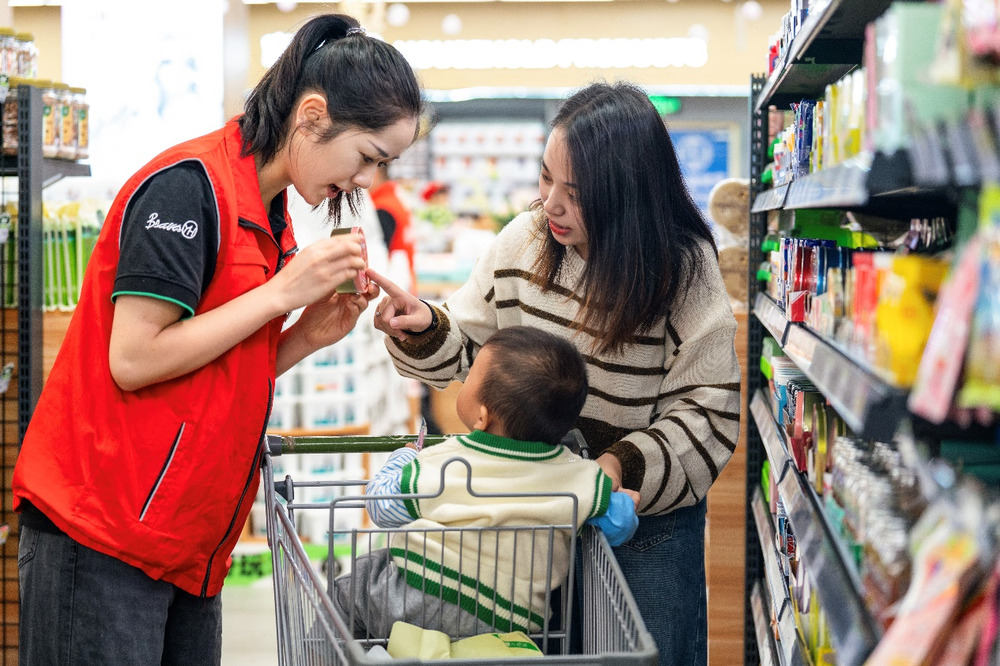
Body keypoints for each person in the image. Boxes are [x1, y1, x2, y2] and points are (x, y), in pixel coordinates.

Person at [12, 14, 421, 665]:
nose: (367, 181)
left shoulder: (269, 214)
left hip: (187, 545)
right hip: (104, 534)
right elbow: (134, 359)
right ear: (312, 116)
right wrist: (282, 295)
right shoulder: (186, 189)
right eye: (368, 157)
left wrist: (304, 336)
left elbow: (218, 369)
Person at [368, 81, 741, 666]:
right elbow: (474, 354)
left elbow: (707, 414)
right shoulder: (523, 242)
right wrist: (424, 328)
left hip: (643, 531)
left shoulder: (683, 271)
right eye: (547, 178)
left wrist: (615, 469)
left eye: (578, 192)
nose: (552, 205)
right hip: (526, 529)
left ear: (629, 195)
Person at [333, 326, 639, 639]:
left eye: (471, 376)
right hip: (511, 622)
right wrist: (624, 503)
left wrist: (403, 457)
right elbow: (620, 524)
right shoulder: (580, 475)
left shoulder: (446, 460)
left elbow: (382, 508)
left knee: (349, 590)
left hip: (418, 596)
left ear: (482, 416)